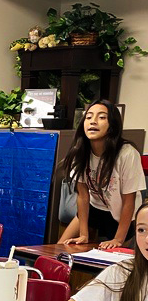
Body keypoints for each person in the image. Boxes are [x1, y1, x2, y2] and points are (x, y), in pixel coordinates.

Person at [57, 99, 143, 250]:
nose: (93, 122)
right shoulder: (80, 151)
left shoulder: (127, 153)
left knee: (113, 261)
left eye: (102, 117)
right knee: (59, 249)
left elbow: (128, 201)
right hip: (95, 207)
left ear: (112, 125)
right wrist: (84, 234)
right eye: (89, 117)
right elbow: (83, 196)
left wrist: (118, 239)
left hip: (123, 213)